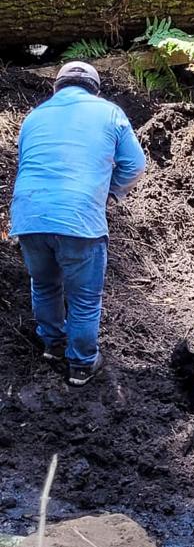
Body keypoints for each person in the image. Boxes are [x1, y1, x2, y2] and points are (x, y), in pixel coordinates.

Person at [10, 61, 146, 386]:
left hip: (29, 215)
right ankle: (82, 364)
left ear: (57, 87)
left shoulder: (33, 117)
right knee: (84, 297)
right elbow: (135, 165)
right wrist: (108, 192)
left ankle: (53, 346)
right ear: (93, 89)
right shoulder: (109, 113)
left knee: (44, 284)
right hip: (78, 217)